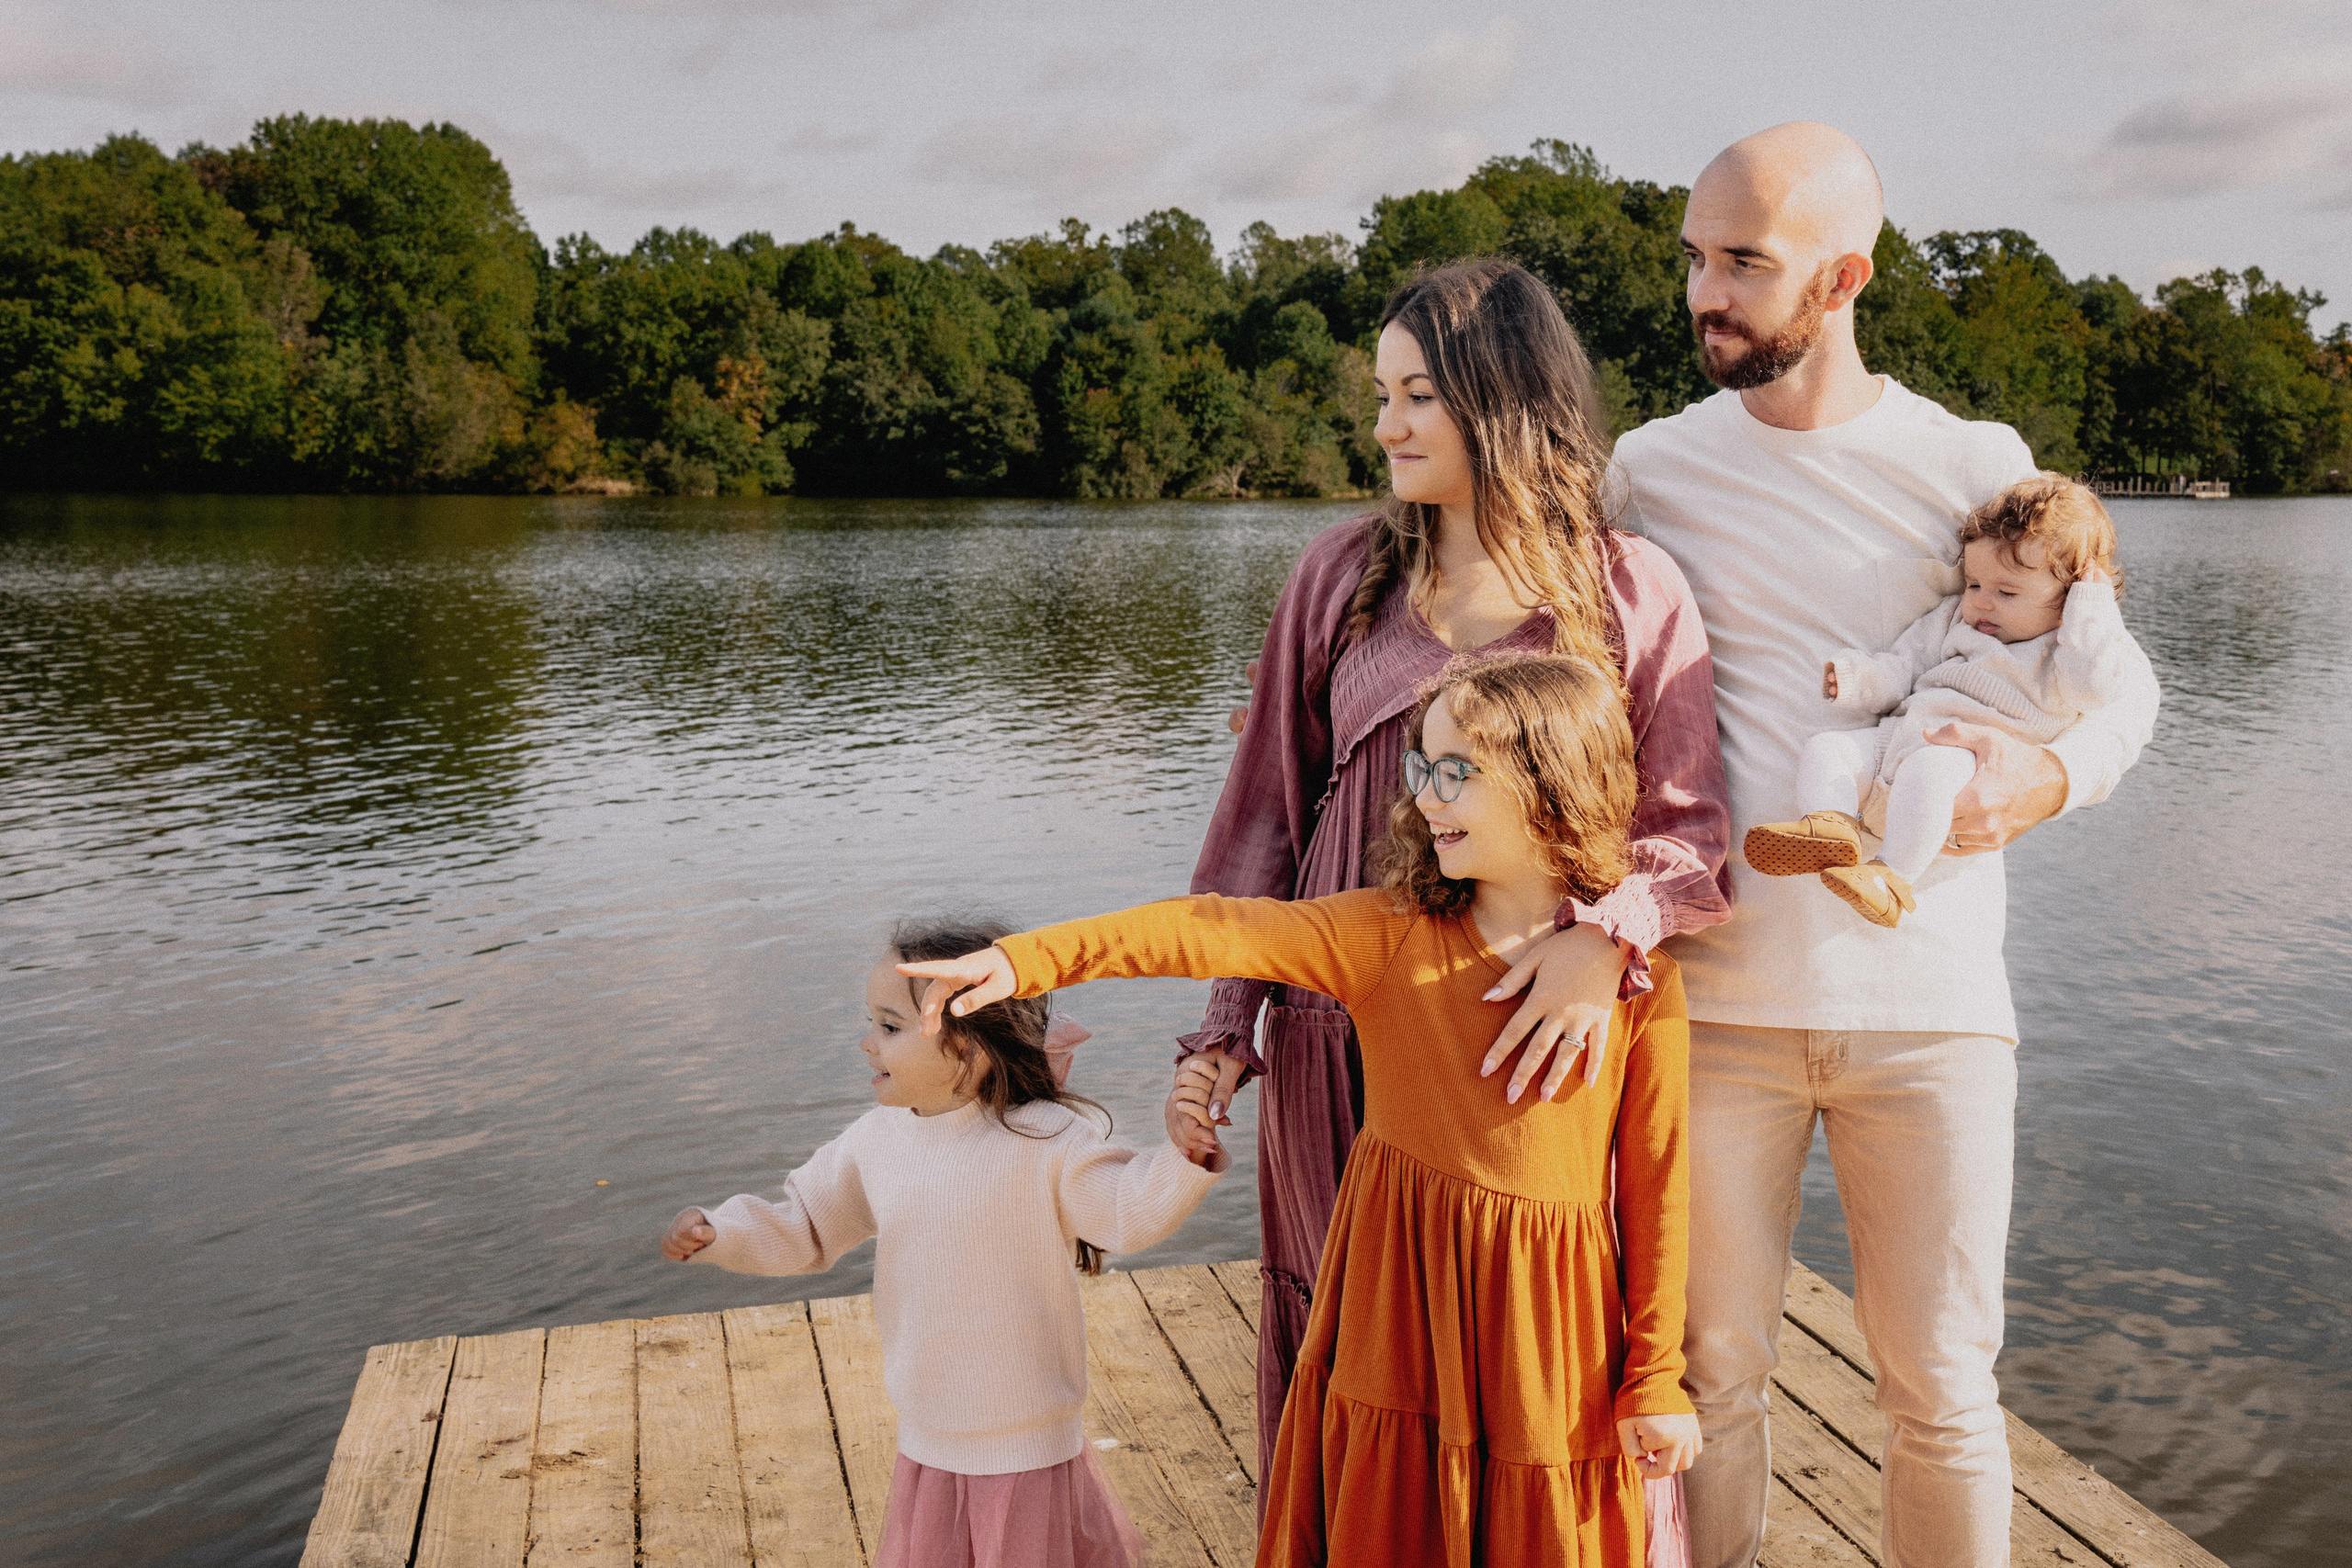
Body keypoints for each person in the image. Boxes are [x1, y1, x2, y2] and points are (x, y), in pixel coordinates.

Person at [1611, 123, 2161, 1567]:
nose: (1702, 292)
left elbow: (2113, 693)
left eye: (1743, 262)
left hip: (1929, 1014)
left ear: (1844, 276)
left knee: (1942, 1391)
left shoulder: (1972, 462)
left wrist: (2045, 782)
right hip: (1714, 1006)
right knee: (1711, 1379)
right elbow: (1541, 656)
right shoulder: (1650, 466)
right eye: (1692, 257)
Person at [904, 654, 1703, 1568]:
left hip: (1547, 1327)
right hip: (1393, 1308)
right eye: (1419, 768)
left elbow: (1657, 1193)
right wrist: (1024, 962)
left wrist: (1655, 1379)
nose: (1426, 797)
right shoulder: (1384, 932)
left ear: (1551, 784)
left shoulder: (1642, 986)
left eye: (1457, 773)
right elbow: (1211, 926)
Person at [1187, 258, 1733, 1505]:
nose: (1384, 425)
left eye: (1417, 394)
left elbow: (1687, 830)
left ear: (1504, 398)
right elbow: (1261, 821)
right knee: (1346, 1342)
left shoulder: (1630, 589)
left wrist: (1605, 944)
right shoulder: (1337, 576)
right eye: (1382, 393)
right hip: (1339, 1033)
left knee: (1533, 1364)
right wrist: (1224, 1025)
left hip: (1531, 1046)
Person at [660, 916, 1228, 1568]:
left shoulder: (1042, 1138)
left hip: (1028, 1446)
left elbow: (1126, 1210)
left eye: (890, 1026)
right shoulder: (876, 1140)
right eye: (872, 1022)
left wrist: (1182, 1155)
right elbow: (805, 1226)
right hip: (928, 1436)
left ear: (967, 1047)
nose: (868, 1044)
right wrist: (721, 1231)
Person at [1746, 475, 2144, 926]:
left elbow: (2095, 692)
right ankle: (1833, 826)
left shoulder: (2067, 651)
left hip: (1961, 761)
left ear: (2068, 597)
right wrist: (1861, 680)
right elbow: (1905, 663)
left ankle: (1890, 877)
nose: (1983, 603)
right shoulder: (1956, 619)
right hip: (1896, 739)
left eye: (2007, 592)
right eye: (1974, 584)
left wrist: (2090, 608)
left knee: (1928, 769)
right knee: (1828, 749)